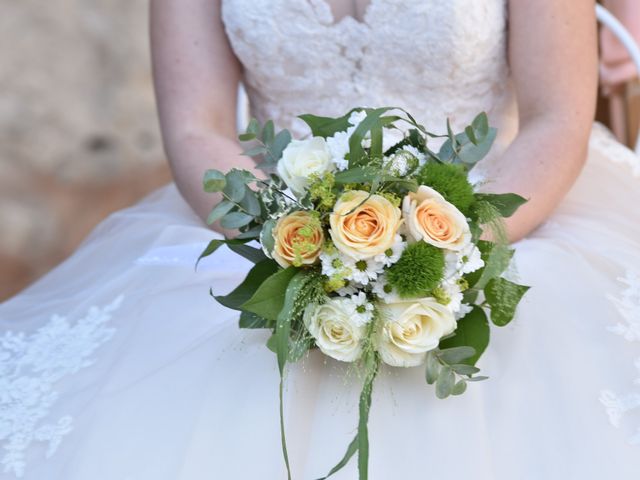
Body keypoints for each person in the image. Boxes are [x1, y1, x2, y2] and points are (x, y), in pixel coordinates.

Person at [1, 0, 639, 478]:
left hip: (498, 209)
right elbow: (198, 130)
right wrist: (298, 244)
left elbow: (556, 120)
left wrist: (447, 249)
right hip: (270, 221)